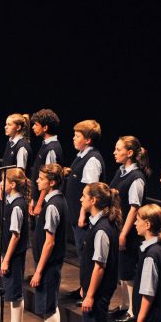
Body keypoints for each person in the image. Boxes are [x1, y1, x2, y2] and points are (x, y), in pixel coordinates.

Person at [71, 183, 121, 322]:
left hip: (99, 292)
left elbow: (99, 266)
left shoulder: (102, 229)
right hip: (93, 289)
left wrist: (90, 294)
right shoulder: (97, 225)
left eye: (84, 196)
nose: (81, 200)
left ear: (94, 201)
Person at [29, 164, 68, 322]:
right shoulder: (53, 201)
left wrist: (38, 271)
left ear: (51, 182)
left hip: (49, 266)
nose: (37, 181)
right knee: (49, 306)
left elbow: (50, 242)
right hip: (49, 265)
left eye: (41, 178)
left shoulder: (53, 205)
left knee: (49, 308)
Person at [109, 135, 150, 322]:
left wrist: (124, 233)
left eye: (119, 149)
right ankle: (125, 304)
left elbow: (134, 208)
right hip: (118, 227)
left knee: (129, 270)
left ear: (130, 153)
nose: (115, 152)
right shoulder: (121, 172)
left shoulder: (136, 178)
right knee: (122, 270)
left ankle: (134, 310)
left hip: (130, 231)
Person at [64, 120, 106, 303]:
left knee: (87, 255)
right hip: (76, 216)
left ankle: (89, 291)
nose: (74, 138)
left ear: (88, 139)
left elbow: (91, 192)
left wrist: (82, 214)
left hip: (86, 219)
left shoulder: (92, 160)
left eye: (77, 136)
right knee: (82, 254)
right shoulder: (81, 156)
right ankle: (84, 287)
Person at [0, 168, 30, 322]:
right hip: (9, 253)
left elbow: (15, 236)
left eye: (4, 182)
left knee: (15, 292)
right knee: (10, 291)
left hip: (14, 256)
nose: (1, 184)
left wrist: (6, 259)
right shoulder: (10, 201)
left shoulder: (17, 206)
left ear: (13, 184)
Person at [29, 109, 63, 218]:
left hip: (45, 202)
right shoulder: (45, 145)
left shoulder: (51, 149)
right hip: (39, 198)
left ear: (45, 128)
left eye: (36, 125)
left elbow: (48, 179)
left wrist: (39, 204)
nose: (33, 127)